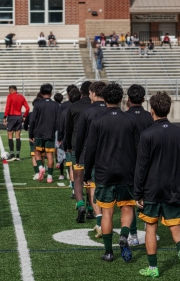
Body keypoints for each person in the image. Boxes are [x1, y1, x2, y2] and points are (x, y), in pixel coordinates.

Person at [134, 92, 180, 279]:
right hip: (174, 187)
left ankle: (153, 268)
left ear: (151, 110)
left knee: (151, 227)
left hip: (152, 189)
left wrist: (137, 193)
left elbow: (141, 167)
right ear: (169, 109)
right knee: (175, 227)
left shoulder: (147, 134)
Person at [84, 83, 139, 263]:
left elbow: (90, 150)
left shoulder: (98, 121)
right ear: (121, 99)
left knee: (107, 212)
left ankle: (108, 252)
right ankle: (124, 235)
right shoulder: (131, 120)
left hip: (104, 172)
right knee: (127, 208)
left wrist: (86, 173)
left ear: (105, 99)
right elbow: (138, 149)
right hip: (126, 171)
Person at [74, 81, 107, 238]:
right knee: (106, 187)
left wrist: (78, 155)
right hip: (109, 154)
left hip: (90, 153)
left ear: (93, 93)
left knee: (91, 186)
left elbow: (80, 136)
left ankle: (99, 221)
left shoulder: (87, 111)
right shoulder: (112, 109)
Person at [125, 84, 154, 246]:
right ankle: (148, 226)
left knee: (129, 202)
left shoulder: (124, 117)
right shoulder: (150, 117)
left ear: (128, 99)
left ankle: (134, 235)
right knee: (147, 197)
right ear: (144, 99)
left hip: (130, 164)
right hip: (149, 162)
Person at [65, 81, 92, 222]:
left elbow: (68, 129)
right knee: (92, 180)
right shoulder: (96, 107)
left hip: (77, 147)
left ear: (81, 92)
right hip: (94, 147)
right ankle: (92, 208)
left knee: (78, 179)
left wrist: (68, 145)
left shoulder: (74, 106)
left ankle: (81, 204)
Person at [28, 83, 62, 183]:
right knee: (50, 154)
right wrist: (59, 135)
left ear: (41, 93)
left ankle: (40, 167)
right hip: (50, 133)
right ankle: (50, 177)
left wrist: (31, 134)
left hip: (38, 132)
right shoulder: (56, 105)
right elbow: (58, 122)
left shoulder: (38, 104)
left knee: (37, 152)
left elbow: (33, 120)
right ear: (51, 93)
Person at [58, 85, 80, 190]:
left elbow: (62, 127)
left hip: (70, 140)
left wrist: (61, 138)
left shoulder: (65, 109)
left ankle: (73, 186)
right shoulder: (85, 108)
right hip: (82, 140)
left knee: (71, 164)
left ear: (68, 95)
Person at [4, 85, 30, 161]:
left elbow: (7, 107)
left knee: (10, 135)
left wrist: (5, 117)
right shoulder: (21, 97)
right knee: (18, 136)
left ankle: (12, 154)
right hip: (19, 117)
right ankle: (18, 155)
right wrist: (24, 116)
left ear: (11, 90)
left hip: (11, 117)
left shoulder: (10, 96)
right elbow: (28, 108)